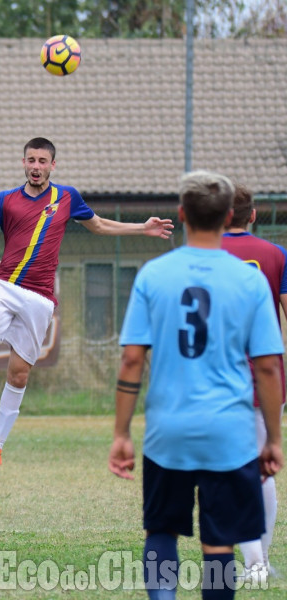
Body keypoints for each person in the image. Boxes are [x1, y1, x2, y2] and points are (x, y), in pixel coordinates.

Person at [0, 137, 174, 483]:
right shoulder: (5, 200)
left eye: (43, 161)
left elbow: (99, 225)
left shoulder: (66, 197)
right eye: (31, 160)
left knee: (19, 375)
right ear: (23, 162)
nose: (36, 166)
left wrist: (142, 228)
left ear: (52, 166)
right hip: (4, 287)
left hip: (40, 298)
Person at [108, 170, 284, 599]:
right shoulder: (249, 280)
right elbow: (266, 367)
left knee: (162, 530)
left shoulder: (154, 274)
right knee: (218, 541)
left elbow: (132, 359)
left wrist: (121, 432)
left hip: (169, 428)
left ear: (182, 214)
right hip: (230, 431)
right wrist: (274, 439)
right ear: (229, 216)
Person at [221, 182, 287, 584]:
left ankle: (255, 565)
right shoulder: (277, 254)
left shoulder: (207, 258)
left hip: (225, 378)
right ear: (253, 215)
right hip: (271, 378)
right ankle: (263, 558)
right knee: (264, 469)